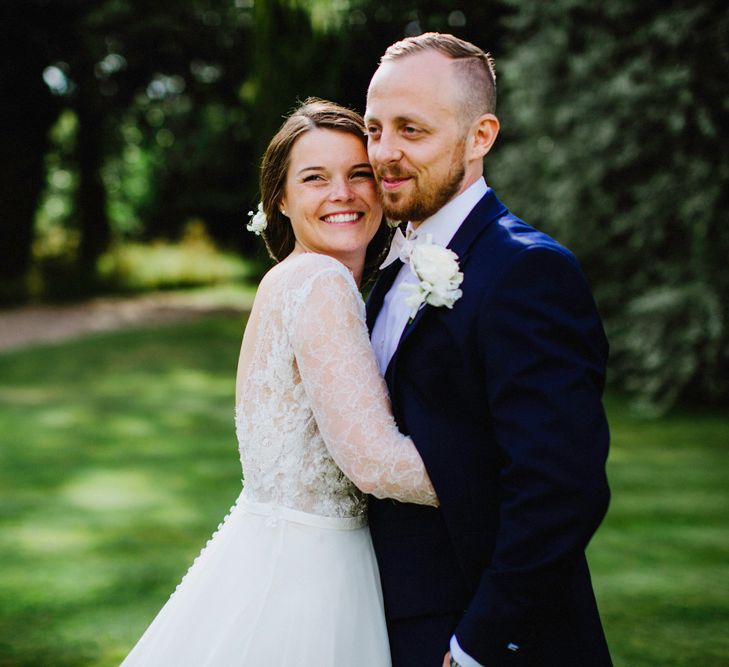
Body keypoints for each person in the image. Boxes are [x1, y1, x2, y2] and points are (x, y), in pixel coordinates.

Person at [120, 99, 438, 666]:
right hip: (312, 576)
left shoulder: (286, 280)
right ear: (282, 201)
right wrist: (504, 472)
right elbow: (374, 461)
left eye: (358, 174)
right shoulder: (320, 282)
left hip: (268, 549)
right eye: (315, 178)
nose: (341, 193)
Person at [364, 33, 612, 666]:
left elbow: (560, 488)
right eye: (374, 129)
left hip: (485, 639)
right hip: (388, 618)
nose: (384, 153)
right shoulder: (383, 266)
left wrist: (477, 645)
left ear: (480, 137)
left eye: (411, 130)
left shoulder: (527, 271)